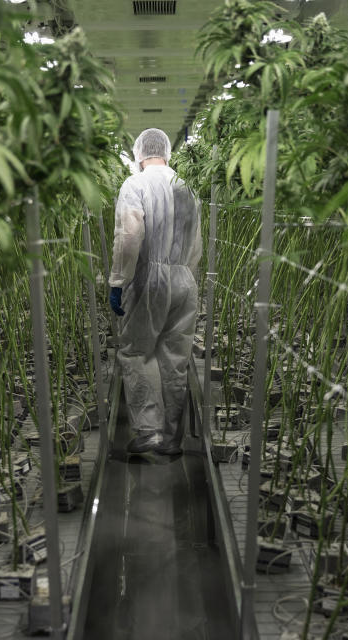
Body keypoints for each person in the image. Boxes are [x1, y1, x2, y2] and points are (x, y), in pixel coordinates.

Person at [108, 128, 202, 455]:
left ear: (138, 154)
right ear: (166, 152)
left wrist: (118, 281)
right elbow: (196, 244)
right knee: (175, 357)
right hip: (184, 280)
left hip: (151, 278)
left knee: (137, 351)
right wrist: (186, 278)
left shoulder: (135, 184)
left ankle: (149, 431)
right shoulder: (186, 188)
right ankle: (172, 437)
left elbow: (130, 236)